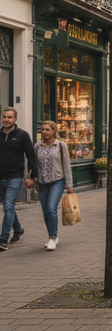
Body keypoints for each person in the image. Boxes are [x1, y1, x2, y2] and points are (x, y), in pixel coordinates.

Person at [31, 121, 73, 250]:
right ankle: (52, 234)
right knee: (45, 211)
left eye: (47, 130)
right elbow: (34, 165)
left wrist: (69, 185)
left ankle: (52, 238)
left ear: (54, 131)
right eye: (43, 129)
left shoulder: (61, 146)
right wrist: (32, 179)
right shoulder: (37, 146)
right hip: (42, 182)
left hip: (57, 181)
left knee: (51, 208)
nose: (44, 132)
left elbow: (66, 165)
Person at [0, 107, 38, 251]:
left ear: (15, 119)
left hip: (15, 177)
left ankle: (3, 238)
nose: (6, 120)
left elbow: (31, 156)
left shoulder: (22, 135)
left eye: (9, 117)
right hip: (0, 177)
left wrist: (31, 176)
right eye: (4, 117)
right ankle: (18, 230)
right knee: (8, 207)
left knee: (8, 206)